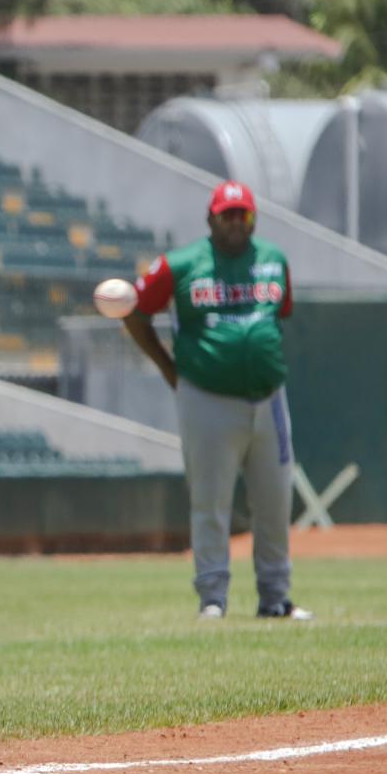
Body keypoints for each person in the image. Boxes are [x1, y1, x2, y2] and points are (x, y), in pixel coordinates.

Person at [122, 179, 307, 621]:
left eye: (243, 214)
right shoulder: (182, 264)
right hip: (206, 397)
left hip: (269, 398)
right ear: (210, 219)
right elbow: (135, 312)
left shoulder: (273, 260)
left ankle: (275, 597)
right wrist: (170, 370)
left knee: (275, 499)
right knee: (210, 499)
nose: (236, 222)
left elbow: (279, 317)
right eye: (227, 214)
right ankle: (212, 598)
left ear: (253, 218)